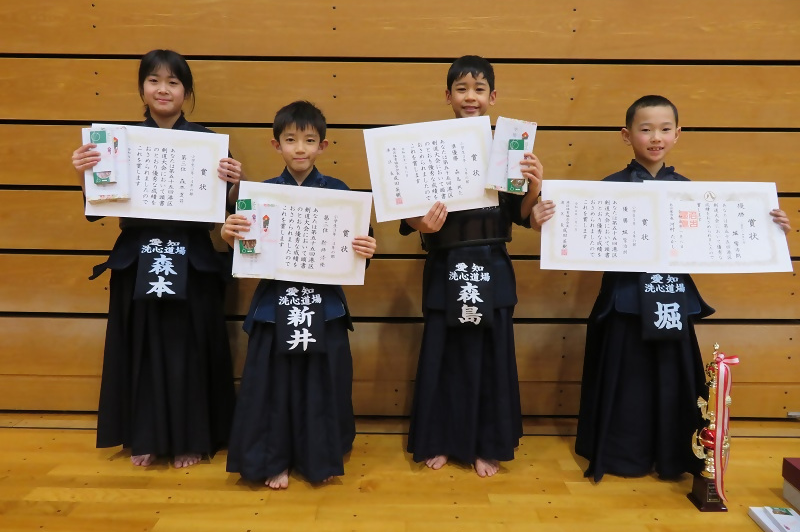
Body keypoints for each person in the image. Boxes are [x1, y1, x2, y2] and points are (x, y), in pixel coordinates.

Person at [534, 94, 792, 482]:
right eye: (646, 129)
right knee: (627, 380)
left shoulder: (690, 192)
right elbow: (572, 233)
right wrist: (546, 220)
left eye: (665, 129)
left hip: (672, 299)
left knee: (673, 380)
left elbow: (724, 236)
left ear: (677, 134)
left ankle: (673, 455)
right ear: (627, 135)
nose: (656, 137)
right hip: (625, 302)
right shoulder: (609, 188)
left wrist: (769, 227)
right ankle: (623, 455)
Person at [71, 49, 240, 468]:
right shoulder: (117, 142)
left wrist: (234, 184)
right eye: (154, 80)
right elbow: (97, 207)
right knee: (140, 348)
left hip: (192, 258)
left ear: (187, 92)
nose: (163, 89)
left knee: (190, 350)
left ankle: (191, 438)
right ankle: (143, 435)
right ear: (142, 88)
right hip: (138, 256)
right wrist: (85, 174)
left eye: (173, 82)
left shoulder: (208, 143)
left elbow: (229, 210)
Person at [401, 55, 544, 477]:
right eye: (461, 89)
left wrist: (535, 187)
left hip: (491, 264)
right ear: (447, 96)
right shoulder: (427, 145)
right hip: (445, 264)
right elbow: (408, 214)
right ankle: (440, 440)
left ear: (492, 97)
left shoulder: (509, 146)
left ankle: (487, 445)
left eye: (479, 89)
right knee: (443, 356)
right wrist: (420, 223)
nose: (470, 97)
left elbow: (523, 215)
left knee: (491, 358)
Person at [223, 100, 377, 490]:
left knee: (323, 383)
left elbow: (358, 250)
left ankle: (319, 457)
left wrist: (365, 248)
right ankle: (272, 459)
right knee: (272, 384)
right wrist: (230, 236)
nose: (300, 148)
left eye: (309, 140)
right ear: (276, 145)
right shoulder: (262, 194)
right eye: (290, 140)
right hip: (274, 303)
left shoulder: (339, 193)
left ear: (322, 146)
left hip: (323, 305)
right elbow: (246, 248)